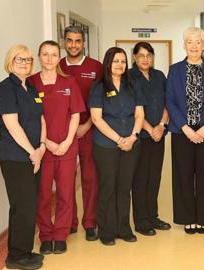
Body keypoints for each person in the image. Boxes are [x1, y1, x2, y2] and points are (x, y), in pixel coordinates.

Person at [166, 27, 204, 234]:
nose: (194, 46)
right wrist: (186, 128)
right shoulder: (174, 70)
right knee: (183, 174)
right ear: (184, 45)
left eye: (198, 42)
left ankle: (203, 217)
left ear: (203, 45)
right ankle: (187, 217)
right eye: (190, 42)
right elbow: (170, 102)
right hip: (182, 132)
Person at [29, 40, 85, 255]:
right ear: (39, 56)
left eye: (54, 54)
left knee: (65, 193)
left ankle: (60, 235)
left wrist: (68, 141)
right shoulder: (32, 82)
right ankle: (45, 235)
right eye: (45, 54)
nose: (50, 59)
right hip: (42, 148)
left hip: (66, 148)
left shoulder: (68, 82)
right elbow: (32, 116)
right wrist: (48, 143)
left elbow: (76, 114)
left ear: (58, 57)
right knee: (42, 195)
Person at [0, 44, 45, 270]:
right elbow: (12, 125)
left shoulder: (31, 88)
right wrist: (32, 152)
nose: (25, 63)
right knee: (21, 206)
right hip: (15, 158)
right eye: (19, 59)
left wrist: (42, 146)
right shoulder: (5, 89)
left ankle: (24, 251)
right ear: (10, 62)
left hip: (34, 155)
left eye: (28, 60)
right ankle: (16, 257)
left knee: (29, 205)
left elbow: (41, 119)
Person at [89, 47, 145, 245]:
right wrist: (119, 139)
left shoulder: (133, 86)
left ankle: (124, 228)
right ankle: (106, 231)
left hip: (131, 143)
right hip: (105, 145)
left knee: (124, 187)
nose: (120, 65)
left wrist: (132, 137)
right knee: (108, 187)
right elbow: (96, 119)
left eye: (123, 61)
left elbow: (139, 115)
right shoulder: (98, 87)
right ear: (107, 63)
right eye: (116, 61)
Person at [59, 25, 102, 241]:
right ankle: (69, 222)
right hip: (62, 134)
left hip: (88, 129)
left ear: (84, 43)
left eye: (77, 41)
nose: (73, 45)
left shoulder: (96, 67)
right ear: (64, 42)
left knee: (89, 177)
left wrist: (88, 125)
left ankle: (90, 222)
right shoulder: (56, 66)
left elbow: (103, 98)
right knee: (66, 179)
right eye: (69, 40)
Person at [129, 42, 171, 236]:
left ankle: (153, 216)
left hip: (159, 135)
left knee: (154, 177)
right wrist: (149, 129)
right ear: (135, 57)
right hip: (141, 137)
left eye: (149, 55)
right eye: (141, 55)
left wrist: (161, 126)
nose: (145, 59)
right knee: (140, 178)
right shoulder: (129, 77)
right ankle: (141, 221)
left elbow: (168, 103)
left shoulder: (159, 76)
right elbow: (133, 108)